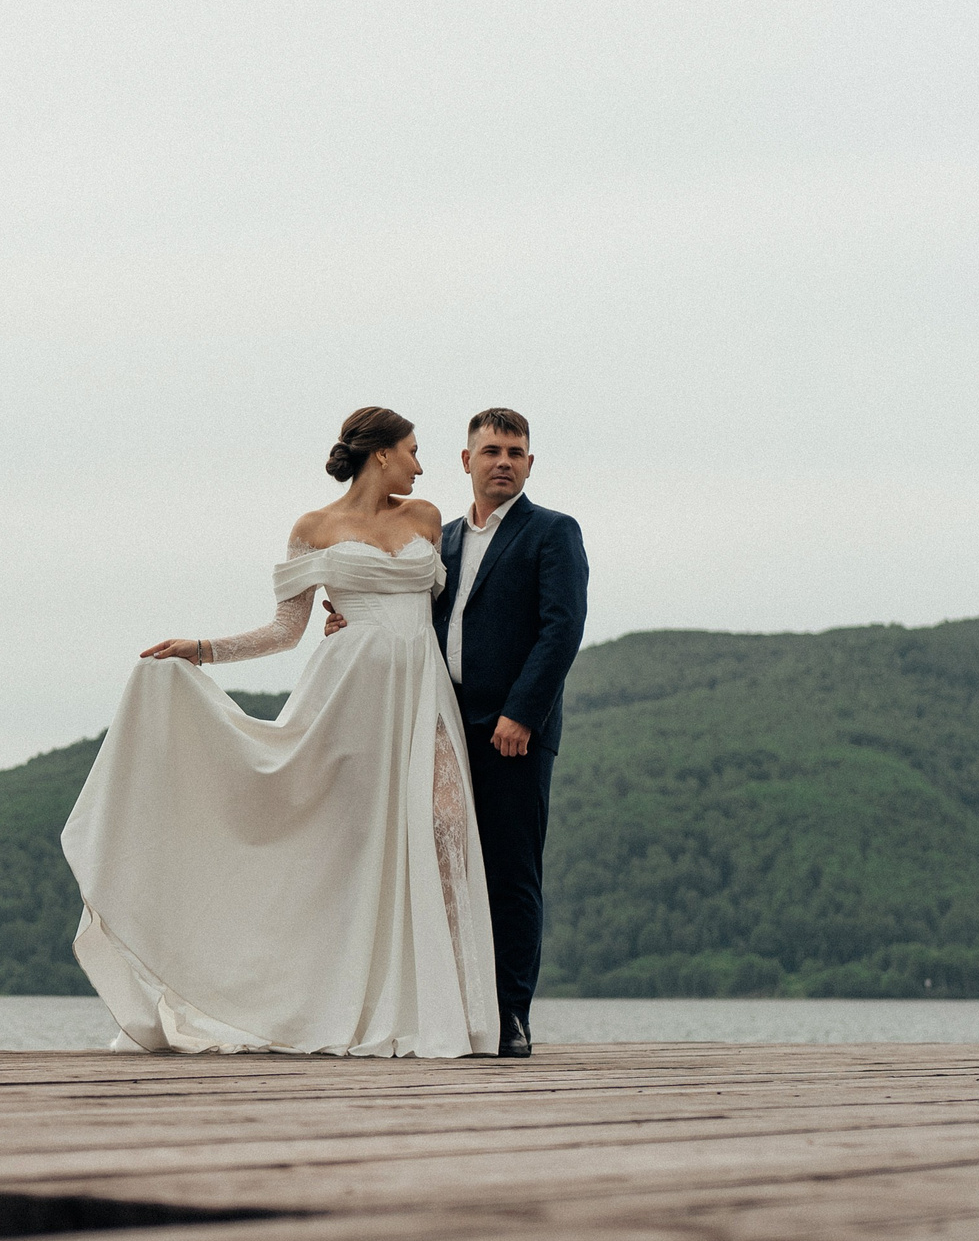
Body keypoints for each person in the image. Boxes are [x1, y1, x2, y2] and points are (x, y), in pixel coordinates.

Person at [60, 407, 500, 1058]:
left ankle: (457, 1012)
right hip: (348, 698)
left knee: (442, 824)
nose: (420, 462)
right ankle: (310, 993)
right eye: (412, 449)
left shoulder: (427, 518)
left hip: (421, 692)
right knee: (347, 846)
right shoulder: (313, 528)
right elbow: (285, 630)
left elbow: (446, 609)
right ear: (380, 455)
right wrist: (203, 648)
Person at [424, 408, 587, 1056]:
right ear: (465, 460)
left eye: (516, 451)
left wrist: (523, 712)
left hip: (512, 728)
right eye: (491, 449)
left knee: (511, 872)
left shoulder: (552, 532)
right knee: (443, 867)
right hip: (442, 724)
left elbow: (561, 627)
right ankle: (452, 1009)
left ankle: (511, 1015)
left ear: (529, 463)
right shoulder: (437, 540)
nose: (503, 460)